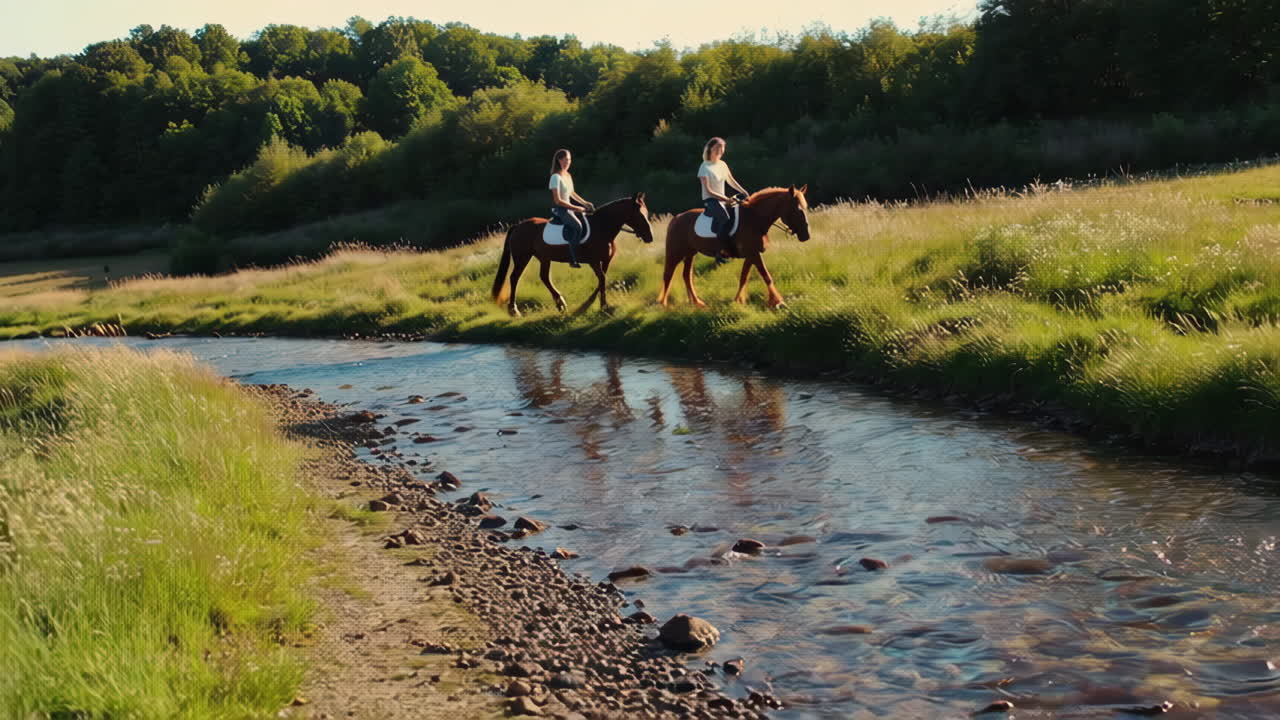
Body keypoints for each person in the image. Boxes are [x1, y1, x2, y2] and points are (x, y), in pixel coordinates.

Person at [697, 137, 750, 260]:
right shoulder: (704, 166)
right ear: (710, 149)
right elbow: (709, 190)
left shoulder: (722, 165)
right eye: (717, 149)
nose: (720, 152)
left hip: (723, 199)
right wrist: (725, 198)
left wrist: (743, 191)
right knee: (724, 217)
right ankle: (719, 252)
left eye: (722, 149)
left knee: (739, 214)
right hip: (711, 200)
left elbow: (731, 181)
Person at [548, 148, 595, 268]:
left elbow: (572, 193)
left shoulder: (567, 175)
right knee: (577, 226)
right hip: (560, 209)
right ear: (559, 160)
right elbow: (557, 200)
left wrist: (585, 203)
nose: (568, 162)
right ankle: (572, 258)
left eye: (569, 160)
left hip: (569, 208)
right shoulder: (555, 177)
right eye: (566, 160)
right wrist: (575, 208)